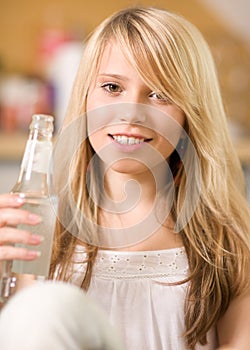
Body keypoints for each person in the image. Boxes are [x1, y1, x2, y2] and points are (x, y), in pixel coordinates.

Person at [0, 6, 249, 350]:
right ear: (85, 100)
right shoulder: (42, 232)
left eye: (160, 94)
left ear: (190, 116)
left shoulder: (229, 244)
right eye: (112, 87)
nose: (131, 112)